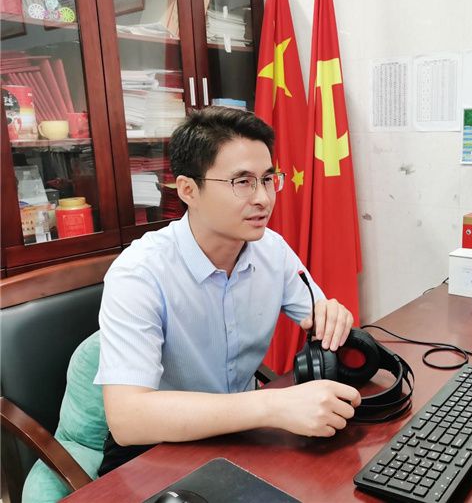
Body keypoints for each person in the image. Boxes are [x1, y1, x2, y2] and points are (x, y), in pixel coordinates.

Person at [95, 107, 361, 474]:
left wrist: (332, 317)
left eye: (268, 179)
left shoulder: (272, 250)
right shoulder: (139, 273)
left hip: (242, 433)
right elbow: (128, 419)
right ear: (188, 190)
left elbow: (319, 317)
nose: (263, 198)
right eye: (242, 182)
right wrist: (273, 406)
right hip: (156, 448)